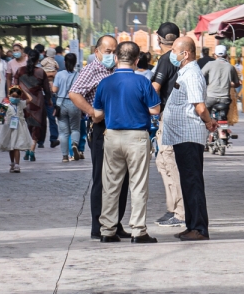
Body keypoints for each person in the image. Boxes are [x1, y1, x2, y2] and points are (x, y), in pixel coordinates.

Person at [93, 41, 161, 244]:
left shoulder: (105, 83)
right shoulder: (142, 82)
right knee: (138, 185)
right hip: (137, 137)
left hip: (112, 136)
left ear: (115, 58)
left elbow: (97, 114)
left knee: (111, 185)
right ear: (137, 60)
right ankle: (138, 231)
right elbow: (155, 110)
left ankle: (107, 230)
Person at [67, 34, 129, 240]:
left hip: (120, 127)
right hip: (101, 128)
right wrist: (92, 112)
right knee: (102, 178)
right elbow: (74, 93)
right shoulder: (92, 70)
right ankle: (99, 225)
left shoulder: (117, 69)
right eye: (108, 51)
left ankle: (115, 223)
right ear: (97, 52)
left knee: (122, 178)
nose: (111, 55)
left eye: (114, 51)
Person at [163, 36, 218, 241]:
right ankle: (191, 224)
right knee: (187, 182)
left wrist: (208, 121)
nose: (171, 54)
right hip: (181, 135)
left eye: (174, 51)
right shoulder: (184, 72)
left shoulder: (192, 74)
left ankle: (199, 228)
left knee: (193, 182)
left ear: (185, 54)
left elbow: (200, 106)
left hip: (189, 135)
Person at [150, 23, 185, 229]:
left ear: (158, 38)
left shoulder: (165, 59)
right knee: (164, 163)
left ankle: (179, 212)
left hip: (169, 118)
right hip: (176, 117)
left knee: (169, 163)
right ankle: (173, 207)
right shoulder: (182, 59)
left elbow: (155, 88)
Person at [14, 51, 48, 161]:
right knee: (36, 126)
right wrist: (50, 101)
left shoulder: (20, 71)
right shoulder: (41, 72)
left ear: (27, 57)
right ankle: (32, 150)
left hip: (23, 101)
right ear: (38, 59)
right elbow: (47, 89)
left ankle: (26, 150)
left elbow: (14, 87)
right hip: (37, 102)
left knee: (25, 125)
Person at [0, 84, 35, 171]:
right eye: (13, 96)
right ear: (9, 95)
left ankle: (17, 164)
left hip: (20, 128)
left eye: (17, 97)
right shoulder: (5, 105)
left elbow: (30, 99)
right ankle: (12, 163)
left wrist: (23, 91)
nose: (15, 98)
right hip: (9, 128)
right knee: (11, 147)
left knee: (17, 146)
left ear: (20, 97)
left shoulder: (21, 104)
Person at [202, 45, 238, 142]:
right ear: (226, 55)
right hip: (225, 99)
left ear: (215, 55)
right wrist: (230, 84)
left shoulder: (210, 64)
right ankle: (223, 131)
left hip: (210, 97)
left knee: (205, 115)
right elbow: (237, 83)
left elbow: (200, 76)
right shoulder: (230, 67)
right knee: (224, 115)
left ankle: (207, 134)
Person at [53, 53, 84, 162]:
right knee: (75, 128)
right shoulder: (79, 75)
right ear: (75, 63)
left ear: (64, 62)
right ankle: (74, 144)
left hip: (61, 104)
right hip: (75, 103)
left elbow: (54, 90)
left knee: (63, 132)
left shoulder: (59, 74)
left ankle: (65, 156)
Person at [39, 47, 62, 147]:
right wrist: (51, 74)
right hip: (46, 93)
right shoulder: (54, 64)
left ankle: (49, 140)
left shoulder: (42, 64)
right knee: (48, 118)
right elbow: (54, 73)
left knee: (47, 117)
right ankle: (43, 140)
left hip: (47, 93)